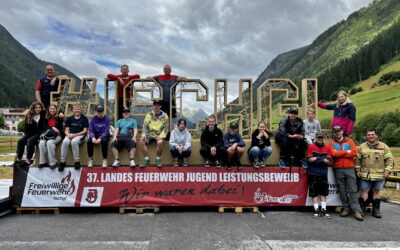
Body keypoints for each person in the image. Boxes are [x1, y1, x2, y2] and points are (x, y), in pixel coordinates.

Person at [355, 129, 394, 218]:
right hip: (365, 174)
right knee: (364, 191)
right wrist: (357, 170)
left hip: (379, 174)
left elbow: (390, 159)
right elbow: (357, 159)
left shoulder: (384, 146)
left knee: (376, 191)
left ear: (376, 135)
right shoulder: (362, 146)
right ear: (366, 136)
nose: (370, 136)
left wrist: (387, 170)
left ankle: (376, 210)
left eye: (372, 134)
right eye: (368, 134)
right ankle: (363, 209)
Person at [328, 125, 363, 221]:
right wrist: (346, 151)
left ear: (342, 131)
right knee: (342, 190)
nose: (337, 133)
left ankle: (356, 210)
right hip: (338, 168)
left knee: (352, 189)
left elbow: (354, 153)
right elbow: (333, 154)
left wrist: (340, 152)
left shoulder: (350, 141)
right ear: (333, 133)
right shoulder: (331, 143)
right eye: (335, 132)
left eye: (338, 131)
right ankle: (346, 208)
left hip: (350, 168)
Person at [307, 132, 332, 219]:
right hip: (313, 172)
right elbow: (310, 160)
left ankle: (324, 210)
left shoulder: (327, 147)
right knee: (314, 193)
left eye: (321, 138)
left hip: (323, 173)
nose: (320, 139)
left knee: (323, 193)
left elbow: (328, 161)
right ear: (316, 138)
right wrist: (322, 159)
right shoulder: (311, 146)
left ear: (324, 138)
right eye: (319, 138)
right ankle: (316, 210)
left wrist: (316, 158)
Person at [14, 102, 47, 167]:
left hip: (40, 133)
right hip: (30, 134)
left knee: (30, 140)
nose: (38, 109)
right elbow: (26, 128)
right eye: (36, 108)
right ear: (33, 108)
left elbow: (53, 109)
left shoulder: (44, 114)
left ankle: (28, 161)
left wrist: (61, 113)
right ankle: (18, 160)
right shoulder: (28, 115)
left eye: (39, 108)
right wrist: (26, 136)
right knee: (20, 141)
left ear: (41, 108)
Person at [59, 104, 89, 171]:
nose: (77, 111)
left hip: (80, 135)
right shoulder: (70, 118)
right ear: (73, 110)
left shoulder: (84, 119)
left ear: (81, 110)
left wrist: (75, 135)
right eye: (75, 109)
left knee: (74, 142)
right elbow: (66, 130)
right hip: (71, 134)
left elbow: (85, 131)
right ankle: (62, 162)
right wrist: (68, 134)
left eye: (78, 109)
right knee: (65, 142)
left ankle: (77, 162)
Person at [140, 100, 169, 167]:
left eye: (158, 105)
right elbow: (145, 126)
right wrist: (144, 135)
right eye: (155, 105)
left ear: (160, 106)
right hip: (149, 134)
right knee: (142, 141)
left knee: (160, 142)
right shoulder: (149, 115)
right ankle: (146, 159)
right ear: (153, 106)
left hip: (159, 134)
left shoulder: (165, 116)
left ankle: (158, 159)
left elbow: (166, 128)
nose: (157, 106)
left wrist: (161, 136)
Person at [38, 104, 64, 169]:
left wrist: (61, 112)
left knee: (50, 143)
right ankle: (43, 162)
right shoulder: (46, 117)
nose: (52, 110)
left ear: (56, 110)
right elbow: (45, 127)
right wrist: (52, 127)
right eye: (51, 108)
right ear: (48, 110)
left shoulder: (59, 116)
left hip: (58, 135)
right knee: (41, 143)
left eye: (54, 109)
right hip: (48, 135)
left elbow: (59, 127)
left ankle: (53, 163)